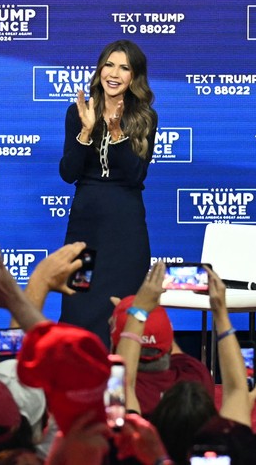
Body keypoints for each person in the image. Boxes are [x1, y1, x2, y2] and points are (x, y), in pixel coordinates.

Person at [59, 39, 158, 345]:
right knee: (79, 300)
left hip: (125, 233)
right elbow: (68, 173)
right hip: (85, 230)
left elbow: (135, 175)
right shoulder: (77, 113)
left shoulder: (144, 118)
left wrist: (117, 135)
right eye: (109, 65)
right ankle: (77, 381)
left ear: (134, 77)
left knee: (121, 307)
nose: (114, 73)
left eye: (124, 68)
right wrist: (86, 132)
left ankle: (120, 384)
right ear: (100, 69)